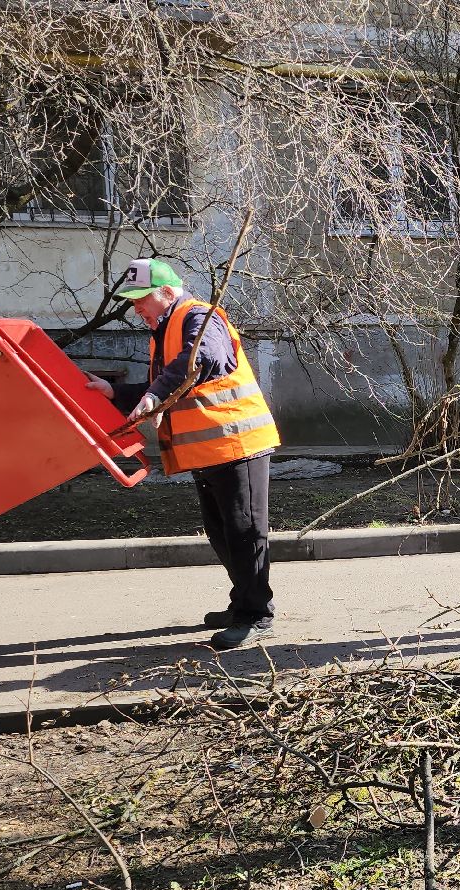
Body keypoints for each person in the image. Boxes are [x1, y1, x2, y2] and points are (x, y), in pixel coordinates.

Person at [84, 257, 282, 650]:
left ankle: (255, 613)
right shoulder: (165, 330)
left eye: (142, 299)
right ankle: (245, 599)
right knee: (222, 530)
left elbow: (201, 362)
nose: (136, 308)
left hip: (235, 444)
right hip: (210, 449)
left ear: (168, 293)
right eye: (133, 301)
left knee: (244, 530)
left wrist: (153, 395)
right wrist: (118, 393)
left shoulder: (200, 318)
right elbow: (171, 379)